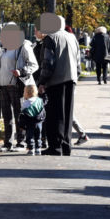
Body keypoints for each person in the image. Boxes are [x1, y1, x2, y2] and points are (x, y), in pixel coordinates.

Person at [35, 13, 80, 156]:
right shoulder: (72, 37)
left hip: (55, 80)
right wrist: (76, 76)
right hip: (71, 78)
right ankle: (66, 145)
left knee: (55, 115)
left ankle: (55, 146)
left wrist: (42, 82)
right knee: (67, 113)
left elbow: (48, 62)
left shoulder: (51, 38)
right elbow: (78, 61)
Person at [0, 22, 38, 151]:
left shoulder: (23, 46)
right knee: (7, 116)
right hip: (3, 87)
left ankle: (21, 142)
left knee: (19, 115)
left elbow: (34, 65)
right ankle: (7, 143)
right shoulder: (3, 49)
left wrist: (21, 71)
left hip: (17, 86)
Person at [19, 84, 46, 155]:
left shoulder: (25, 103)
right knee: (38, 135)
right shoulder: (40, 100)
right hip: (39, 122)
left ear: (26, 93)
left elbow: (23, 115)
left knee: (30, 136)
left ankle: (31, 149)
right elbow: (44, 107)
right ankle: (38, 149)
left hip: (30, 122)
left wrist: (22, 126)